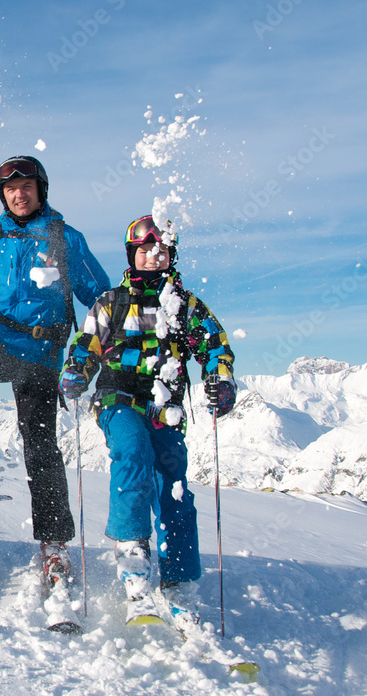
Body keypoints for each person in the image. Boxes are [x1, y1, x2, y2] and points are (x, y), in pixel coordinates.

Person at [58, 215, 236, 624]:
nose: (153, 257)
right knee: (133, 453)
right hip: (117, 398)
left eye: (161, 251)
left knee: (173, 484)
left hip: (166, 407)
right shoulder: (112, 302)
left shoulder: (183, 305)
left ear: (171, 256)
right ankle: (133, 554)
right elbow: (87, 345)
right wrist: (77, 372)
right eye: (145, 250)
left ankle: (179, 580)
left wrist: (220, 379)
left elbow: (214, 345)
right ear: (131, 256)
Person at [0, 155, 111, 585]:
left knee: (40, 445)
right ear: (2, 195)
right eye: (10, 189)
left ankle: (55, 548)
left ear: (40, 190)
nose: (19, 195)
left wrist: (106, 343)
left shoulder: (64, 238)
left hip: (40, 355)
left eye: (26, 188)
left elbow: (102, 299)